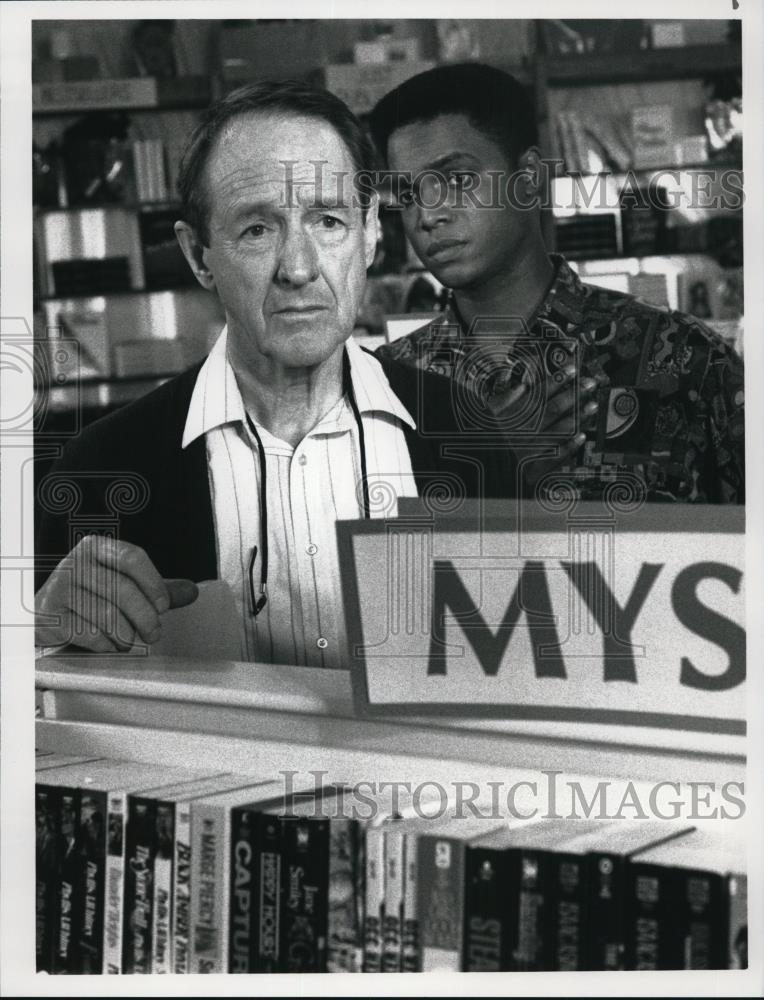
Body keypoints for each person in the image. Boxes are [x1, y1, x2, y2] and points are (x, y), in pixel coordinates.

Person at [35, 80, 513, 665]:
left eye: (328, 221)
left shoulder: (465, 429)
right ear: (197, 255)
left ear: (370, 234)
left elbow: (523, 667)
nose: (299, 267)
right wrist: (37, 630)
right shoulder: (98, 467)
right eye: (257, 229)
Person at [369, 62, 745, 504]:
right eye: (409, 193)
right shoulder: (384, 388)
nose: (426, 216)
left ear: (528, 178)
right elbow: (375, 563)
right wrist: (491, 464)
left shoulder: (685, 361)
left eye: (457, 180)